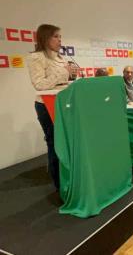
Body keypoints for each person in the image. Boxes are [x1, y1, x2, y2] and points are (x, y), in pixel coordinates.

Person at [27, 24, 75, 189]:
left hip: (64, 102)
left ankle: (70, 178)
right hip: (46, 104)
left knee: (68, 142)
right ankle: (59, 185)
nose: (59, 40)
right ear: (45, 37)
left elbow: (61, 83)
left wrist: (72, 78)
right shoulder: (36, 57)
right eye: (56, 36)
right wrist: (63, 73)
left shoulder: (60, 58)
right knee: (55, 143)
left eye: (60, 36)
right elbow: (40, 85)